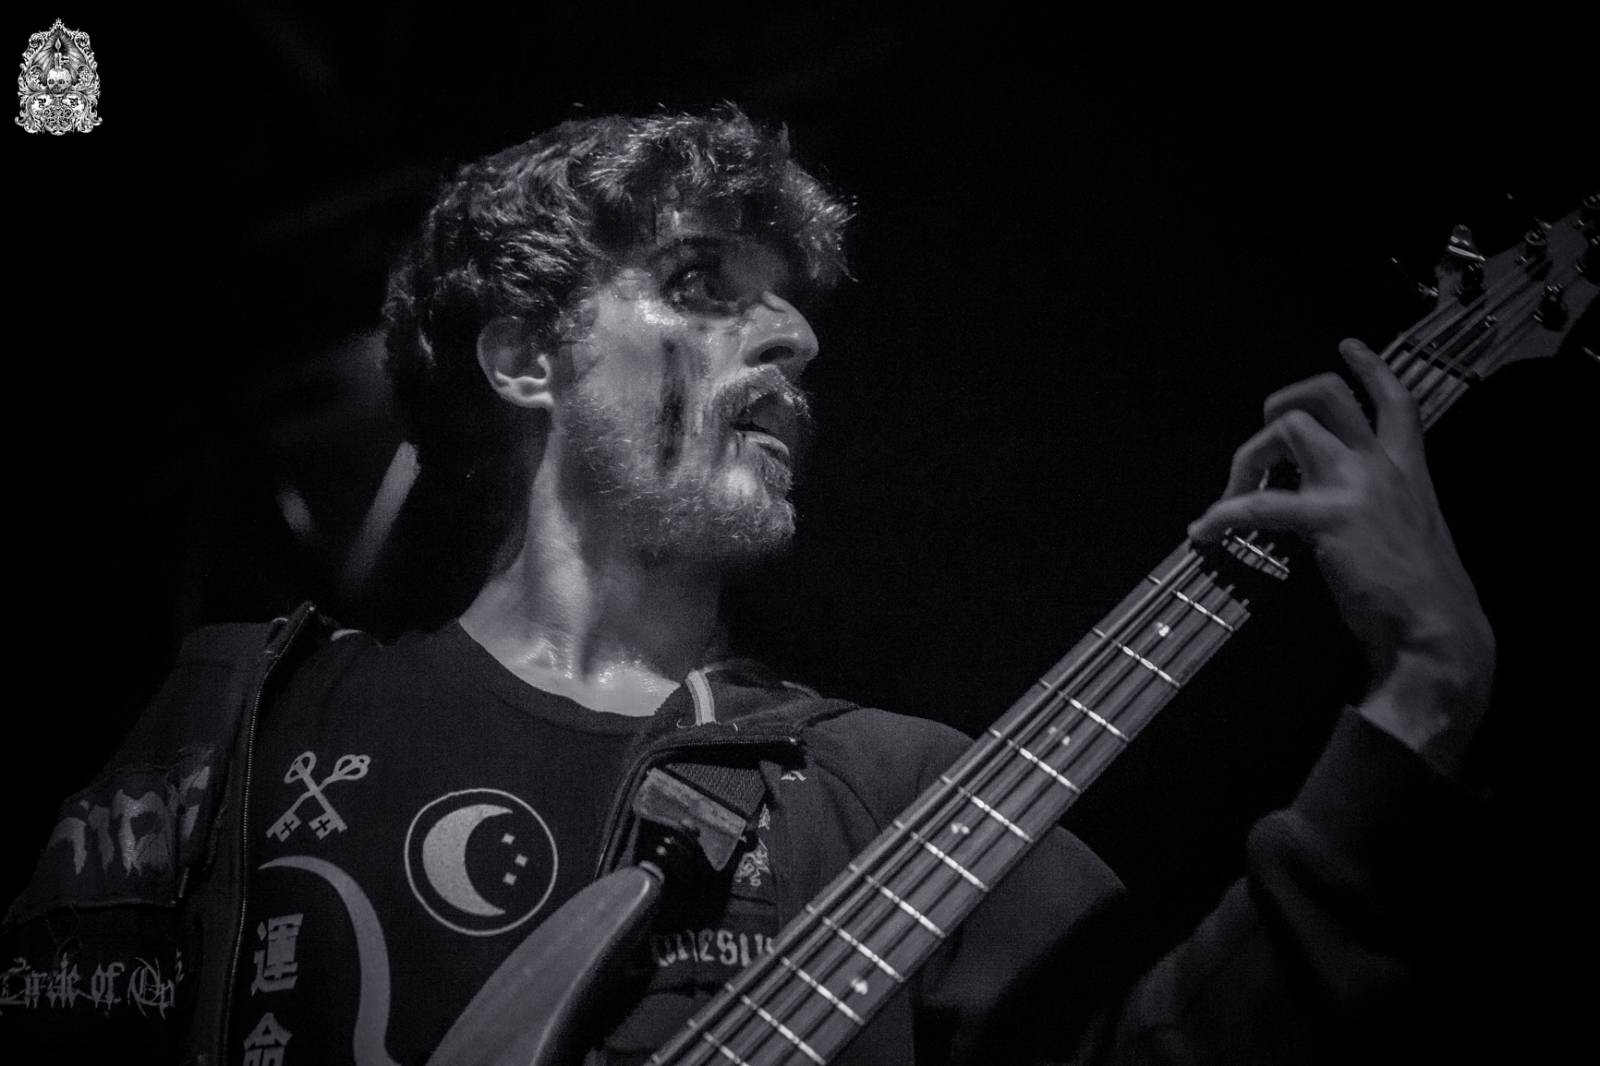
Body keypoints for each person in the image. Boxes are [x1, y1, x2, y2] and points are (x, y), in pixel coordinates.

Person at [1, 107, 1494, 1065]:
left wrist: (1420, 696)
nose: (794, 338)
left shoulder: (902, 796)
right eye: (704, 285)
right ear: (524, 359)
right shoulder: (254, 711)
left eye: (789, 305)